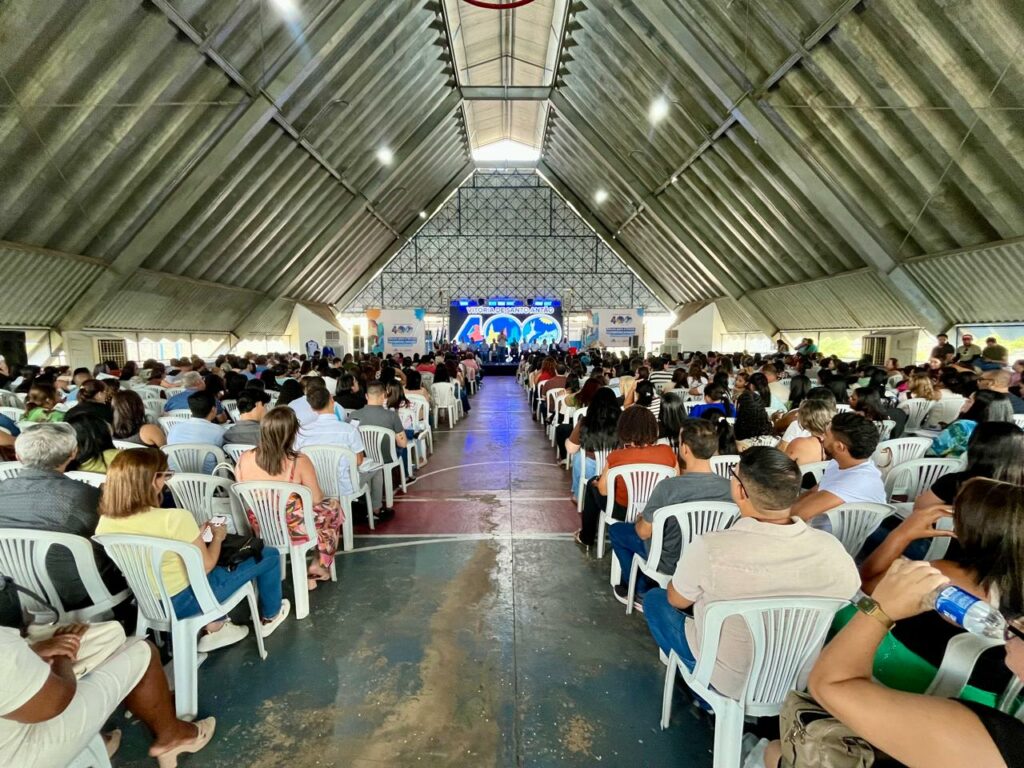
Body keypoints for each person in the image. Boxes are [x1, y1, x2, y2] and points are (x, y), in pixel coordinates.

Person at [760, 559, 1024, 768]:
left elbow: (831, 684)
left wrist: (881, 610)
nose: (1014, 623)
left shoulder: (993, 744)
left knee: (774, 751)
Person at [643, 448, 859, 700]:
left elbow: (677, 600)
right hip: (796, 680)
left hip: (728, 681)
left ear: (741, 491)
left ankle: (705, 696)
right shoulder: (832, 549)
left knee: (656, 599)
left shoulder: (711, 548)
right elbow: (849, 594)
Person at [96, 450, 290, 652]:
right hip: (189, 601)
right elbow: (206, 566)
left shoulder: (104, 523)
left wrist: (194, 534)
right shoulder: (175, 518)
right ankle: (271, 615)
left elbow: (160, 548)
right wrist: (218, 538)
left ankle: (216, 626)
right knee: (269, 555)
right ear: (152, 481)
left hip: (149, 603)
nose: (166, 481)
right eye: (165, 475)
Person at [851, 478, 1023, 704]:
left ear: (971, 528)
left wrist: (904, 532)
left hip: (912, 676)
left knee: (846, 608)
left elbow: (868, 584)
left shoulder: (942, 573)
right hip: (994, 697)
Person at [0, 625, 216, 767]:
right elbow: (56, 701)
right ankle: (172, 737)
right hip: (19, 751)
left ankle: (97, 742)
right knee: (141, 650)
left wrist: (37, 649)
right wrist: (61, 655)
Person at [608, 419, 733, 609]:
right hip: (710, 560)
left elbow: (643, 533)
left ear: (685, 449)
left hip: (669, 561)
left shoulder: (668, 488)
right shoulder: (730, 488)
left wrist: (641, 517)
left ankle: (640, 589)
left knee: (617, 530)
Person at [0, 423, 125, 610]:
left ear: (17, 456)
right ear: (73, 453)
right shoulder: (86, 496)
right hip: (79, 596)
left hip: (12, 594)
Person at [236, 407, 343, 587]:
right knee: (333, 507)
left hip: (259, 525)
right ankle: (318, 564)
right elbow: (316, 499)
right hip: (293, 528)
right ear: (292, 433)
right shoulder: (299, 461)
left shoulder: (244, 458)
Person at [577, 406, 677, 548]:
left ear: (623, 428)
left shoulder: (617, 456)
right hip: (655, 510)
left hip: (622, 511)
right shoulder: (668, 452)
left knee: (592, 483)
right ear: (653, 428)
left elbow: (603, 491)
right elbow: (675, 484)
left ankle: (586, 537)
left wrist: (598, 483)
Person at [294, 387, 385, 520]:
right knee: (377, 468)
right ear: (332, 400)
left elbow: (297, 458)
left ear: (312, 408)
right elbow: (359, 461)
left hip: (314, 485)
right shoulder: (349, 430)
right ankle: (376, 509)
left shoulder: (302, 432)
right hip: (343, 486)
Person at [790, 412, 885, 526]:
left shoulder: (854, 483)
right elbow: (814, 491)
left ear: (839, 447)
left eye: (826, 435)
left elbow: (797, 514)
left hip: (836, 535)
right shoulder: (840, 462)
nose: (821, 437)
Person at [349, 382, 416, 485]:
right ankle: (404, 476)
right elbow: (403, 444)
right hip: (387, 457)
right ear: (384, 396)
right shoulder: (392, 416)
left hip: (364, 457)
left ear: (366, 396)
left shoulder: (353, 415)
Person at [565, 387, 621, 503]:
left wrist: (567, 440)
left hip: (590, 468)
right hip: (615, 467)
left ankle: (578, 495)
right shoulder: (623, 422)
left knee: (578, 457)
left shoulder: (585, 422)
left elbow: (571, 449)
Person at [928, 389, 1014, 457]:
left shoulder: (964, 426)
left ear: (979, 407)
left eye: (969, 401)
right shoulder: (1012, 432)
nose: (965, 402)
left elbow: (933, 451)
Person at [165, 391, 225, 475]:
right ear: (213, 409)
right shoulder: (219, 431)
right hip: (209, 479)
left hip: (177, 479)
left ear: (191, 409)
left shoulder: (174, 428)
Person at [784, 399, 832, 474]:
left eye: (800, 413)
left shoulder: (799, 444)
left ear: (807, 420)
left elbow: (781, 468)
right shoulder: (835, 443)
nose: (796, 415)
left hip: (801, 480)